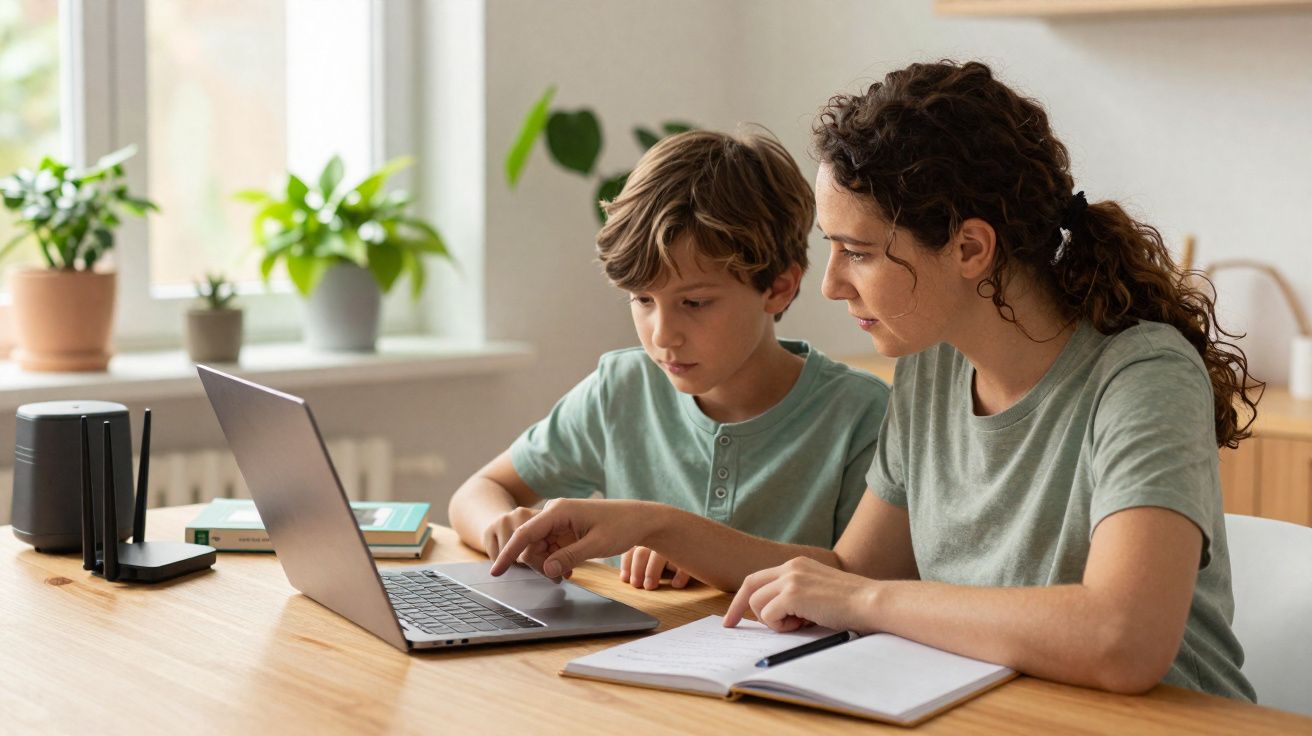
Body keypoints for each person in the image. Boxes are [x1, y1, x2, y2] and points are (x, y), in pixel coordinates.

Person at [490, 60, 1259, 701]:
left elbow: (1122, 639)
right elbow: (849, 573)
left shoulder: (1142, 376)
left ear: (969, 249)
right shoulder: (930, 369)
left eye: (856, 252)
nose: (828, 286)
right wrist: (656, 523)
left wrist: (865, 602)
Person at [448, 129, 890, 590]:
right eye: (642, 300)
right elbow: (477, 492)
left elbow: (858, 576)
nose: (661, 335)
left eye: (695, 303)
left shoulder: (860, 414)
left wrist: (685, 543)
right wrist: (499, 528)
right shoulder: (620, 389)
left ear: (778, 287)